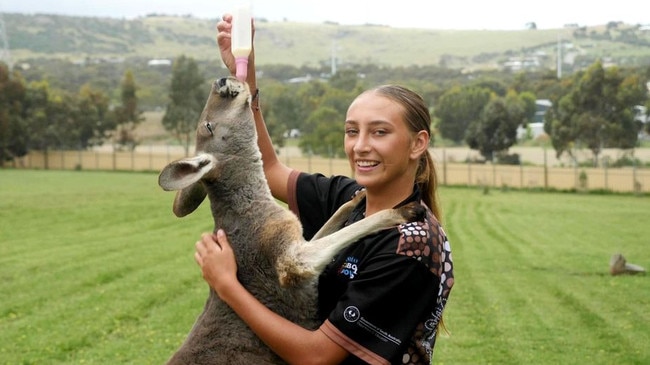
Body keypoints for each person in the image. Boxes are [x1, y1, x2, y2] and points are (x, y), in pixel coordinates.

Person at [193, 14, 454, 365]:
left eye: (379, 132)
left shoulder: (411, 246)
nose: (361, 146)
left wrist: (227, 287)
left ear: (417, 144)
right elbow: (268, 170)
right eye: (351, 131)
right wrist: (246, 77)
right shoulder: (349, 198)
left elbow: (316, 357)